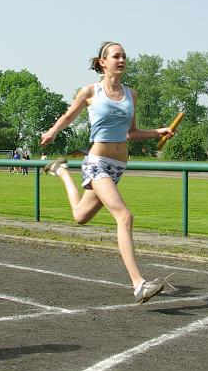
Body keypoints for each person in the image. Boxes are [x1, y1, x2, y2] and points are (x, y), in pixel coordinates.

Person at [40, 42, 175, 304]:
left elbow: (130, 133)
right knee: (124, 216)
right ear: (103, 62)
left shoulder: (131, 94)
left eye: (124, 56)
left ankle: (61, 171)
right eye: (116, 56)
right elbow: (69, 117)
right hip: (97, 163)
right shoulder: (91, 91)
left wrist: (157, 132)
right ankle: (138, 284)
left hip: (117, 168)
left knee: (80, 216)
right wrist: (52, 132)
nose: (121, 59)